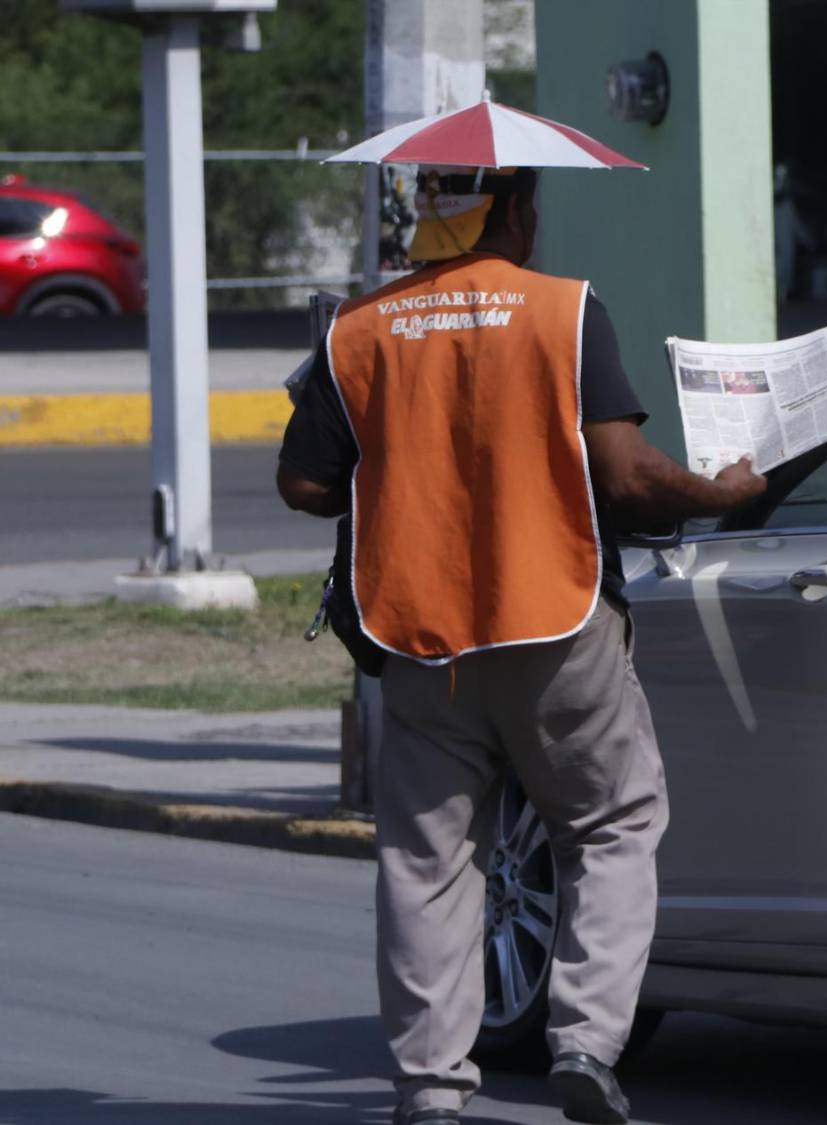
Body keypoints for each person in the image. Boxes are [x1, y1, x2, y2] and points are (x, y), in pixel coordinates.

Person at [276, 164, 766, 1125]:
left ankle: (430, 1086)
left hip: (420, 640)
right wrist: (722, 492)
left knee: (428, 861)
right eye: (530, 204)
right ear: (512, 213)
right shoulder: (565, 311)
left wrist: (397, 455)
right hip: (557, 627)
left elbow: (304, 485)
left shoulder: (360, 329)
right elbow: (625, 477)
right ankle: (584, 1041)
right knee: (611, 823)